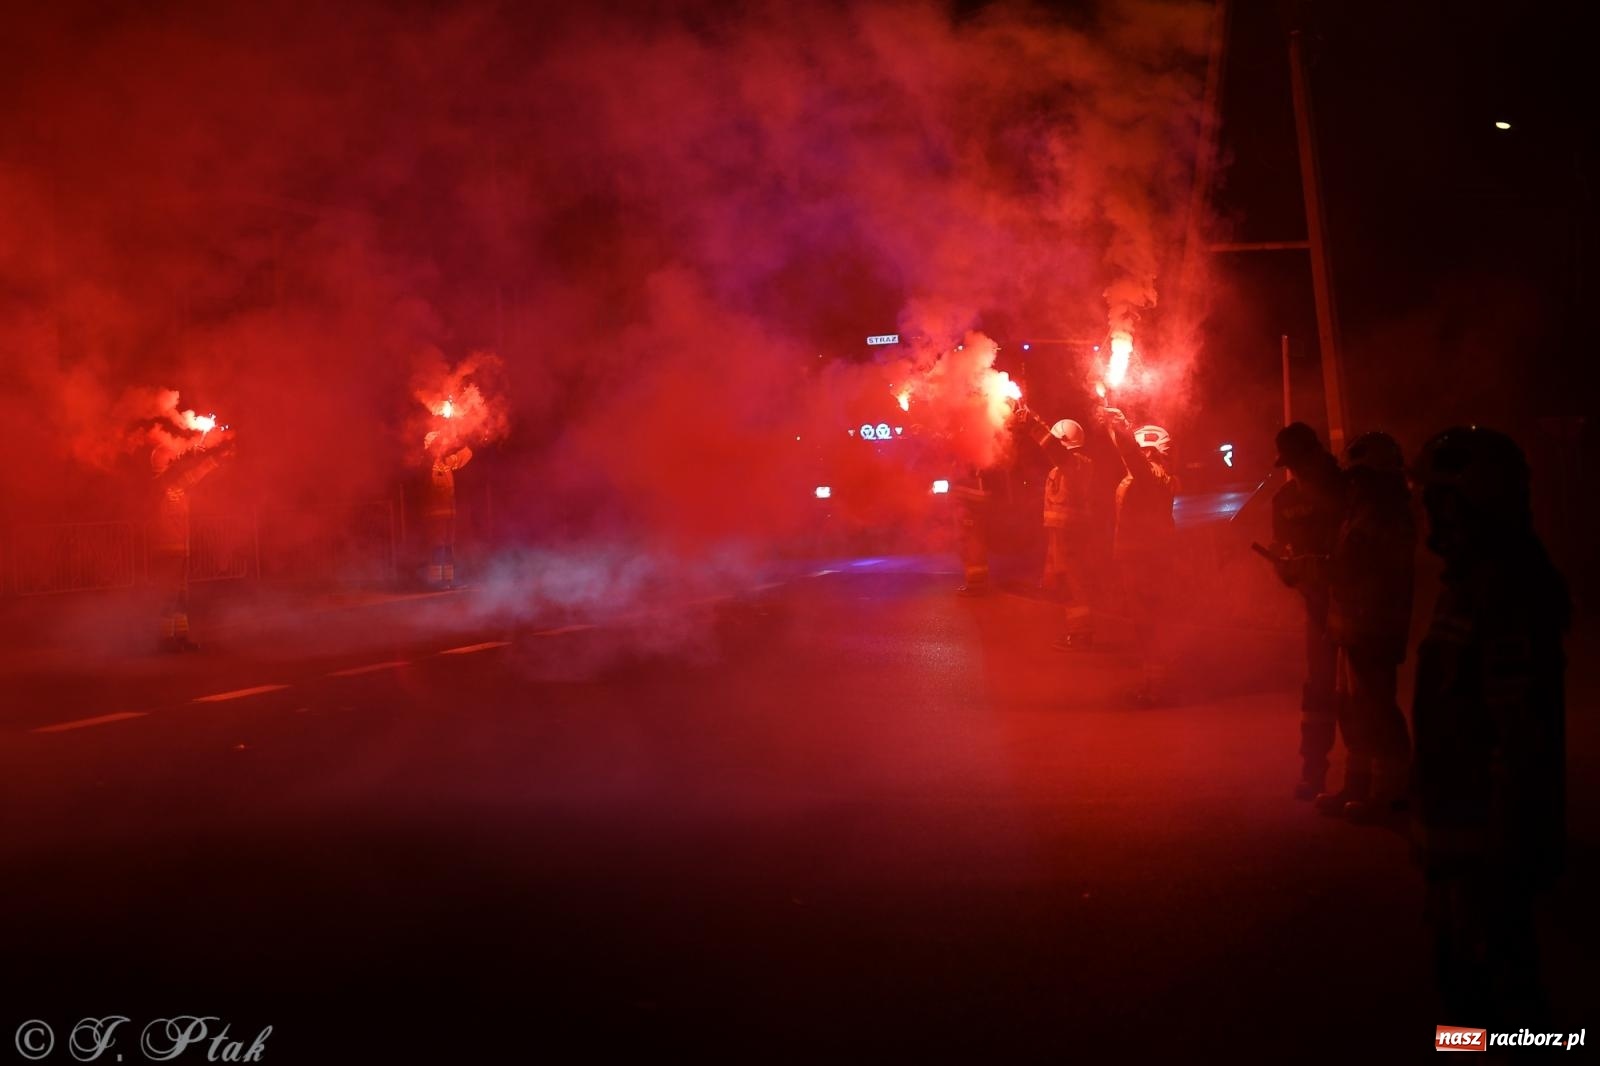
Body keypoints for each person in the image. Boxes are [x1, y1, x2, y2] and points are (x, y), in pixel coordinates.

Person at [1409, 426, 1567, 1031]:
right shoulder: (1469, 584)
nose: (1427, 514)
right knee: (1464, 991)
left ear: (1472, 504)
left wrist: (1495, 858)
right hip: (1461, 840)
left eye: (1437, 500)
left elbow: (1517, 734)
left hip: (1487, 847)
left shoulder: (1505, 594)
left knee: (1500, 998)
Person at [1318, 431, 1416, 821]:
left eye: (1361, 476)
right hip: (1352, 625)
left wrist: (1315, 568)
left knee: (1376, 709)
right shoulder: (1361, 511)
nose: (1354, 483)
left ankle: (1390, 794)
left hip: (1374, 624)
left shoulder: (1387, 516)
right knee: (1351, 707)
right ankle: (1357, 786)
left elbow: (1364, 567)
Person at [1268, 422, 1348, 801]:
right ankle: (1313, 769)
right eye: (1292, 464)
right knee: (1318, 688)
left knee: (1354, 691)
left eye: (1302, 462)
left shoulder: (1346, 490)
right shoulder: (1284, 499)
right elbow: (1282, 546)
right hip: (1315, 605)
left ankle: (1363, 777)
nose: (1297, 471)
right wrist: (1283, 567)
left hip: (1353, 602)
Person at [1102, 408, 1178, 702]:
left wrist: (1120, 429)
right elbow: (1131, 459)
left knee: (1148, 623)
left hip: (1146, 560)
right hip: (1139, 558)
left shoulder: (1152, 476)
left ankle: (1157, 686)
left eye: (1144, 452)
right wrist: (1114, 430)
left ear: (1154, 453)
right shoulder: (1148, 477)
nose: (1139, 457)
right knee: (1145, 623)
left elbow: (1133, 459)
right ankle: (1154, 682)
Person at [1020, 406, 1096, 647]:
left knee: (1073, 583)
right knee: (1063, 580)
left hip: (1071, 533)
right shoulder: (1066, 466)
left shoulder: (1076, 464)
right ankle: (1076, 631)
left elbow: (1052, 447)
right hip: (1060, 533)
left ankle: (1081, 634)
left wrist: (1031, 422)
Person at [150, 433, 233, 652]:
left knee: (181, 595)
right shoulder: (160, 485)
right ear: (163, 463)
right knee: (169, 594)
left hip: (179, 549)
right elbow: (186, 477)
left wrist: (210, 460)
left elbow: (191, 477)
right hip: (167, 549)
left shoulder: (173, 484)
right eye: (171, 458)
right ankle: (166, 641)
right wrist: (205, 459)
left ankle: (181, 638)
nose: (175, 460)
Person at [423, 445, 473, 588]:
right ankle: (436, 582)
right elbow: (429, 454)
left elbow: (465, 455)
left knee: (448, 546)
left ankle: (448, 581)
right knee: (438, 546)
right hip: (435, 515)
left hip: (449, 514)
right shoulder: (427, 463)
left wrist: (467, 438)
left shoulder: (445, 462)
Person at [949, 467, 991, 595]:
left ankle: (975, 586)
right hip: (970, 519)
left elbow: (976, 498)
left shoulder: (969, 479)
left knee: (972, 551)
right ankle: (978, 584)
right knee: (974, 551)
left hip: (970, 520)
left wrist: (965, 519)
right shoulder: (973, 477)